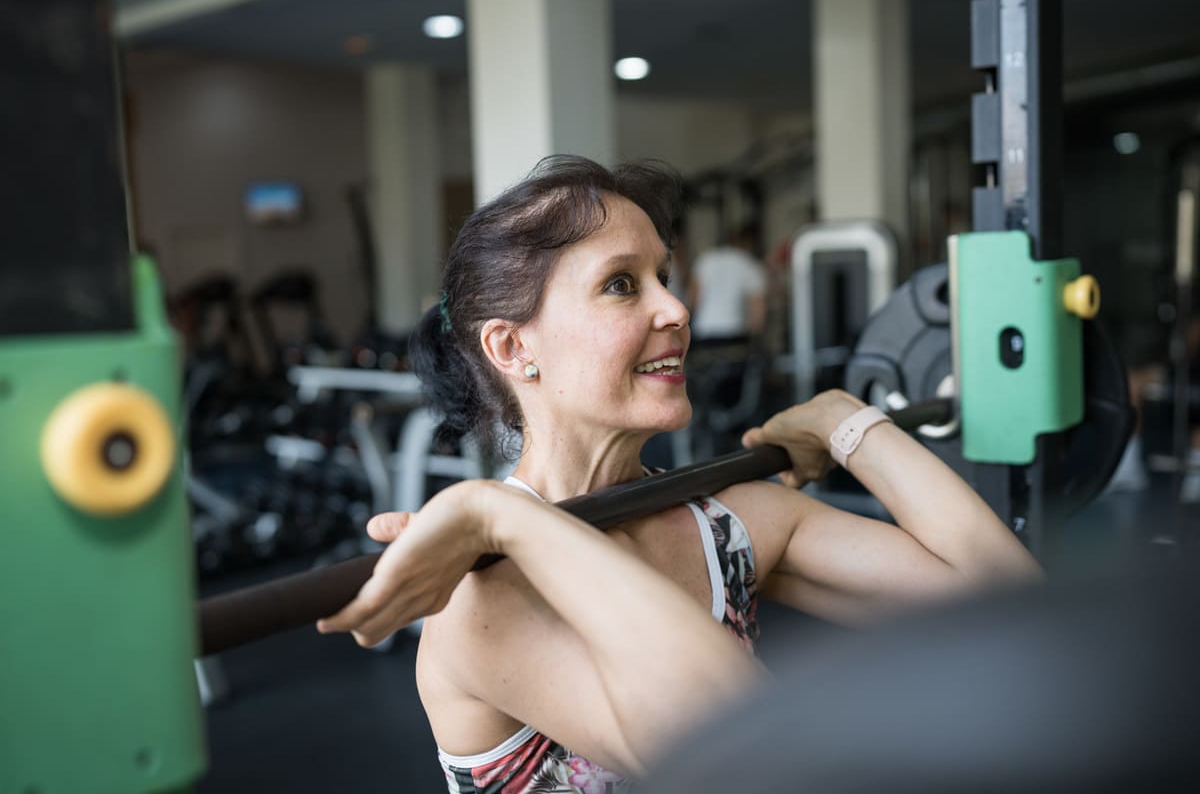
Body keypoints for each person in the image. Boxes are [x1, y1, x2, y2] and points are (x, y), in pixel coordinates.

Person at [317, 156, 1041, 792]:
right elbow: (744, 752)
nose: (677, 308)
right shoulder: (482, 599)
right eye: (622, 285)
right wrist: (501, 517)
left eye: (663, 275)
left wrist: (844, 423)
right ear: (512, 346)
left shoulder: (726, 525)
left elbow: (1011, 613)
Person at [687, 223, 767, 344]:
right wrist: (755, 337)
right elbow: (757, 309)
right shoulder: (750, 265)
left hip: (704, 329)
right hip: (734, 330)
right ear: (750, 243)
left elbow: (692, 298)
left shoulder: (706, 259)